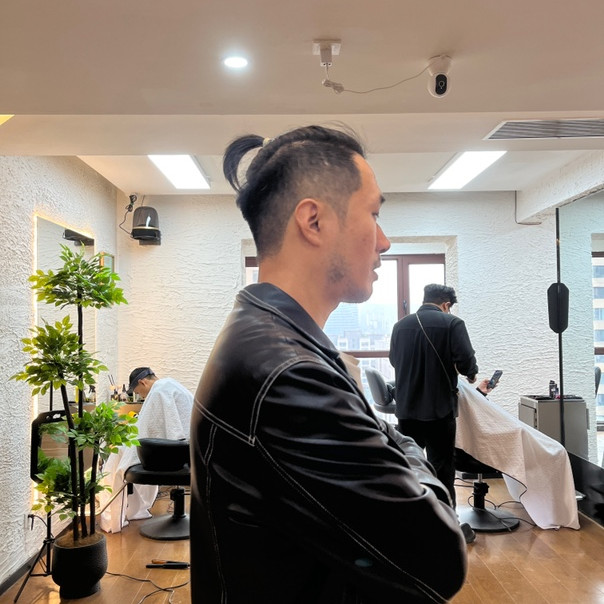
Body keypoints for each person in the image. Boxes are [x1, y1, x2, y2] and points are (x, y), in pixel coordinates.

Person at [190, 125, 467, 603]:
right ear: (313, 221)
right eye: (374, 215)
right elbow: (440, 558)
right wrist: (403, 448)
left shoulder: (266, 333)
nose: (384, 241)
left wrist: (380, 433)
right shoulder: (289, 376)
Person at [389, 283, 479, 508]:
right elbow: (466, 362)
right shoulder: (453, 323)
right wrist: (471, 374)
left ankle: (411, 514)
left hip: (406, 408)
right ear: (446, 305)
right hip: (439, 410)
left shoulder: (400, 326)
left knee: (410, 465)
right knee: (442, 468)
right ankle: (444, 515)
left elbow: (394, 360)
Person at [98, 367, 193, 533]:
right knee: (123, 451)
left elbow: (147, 430)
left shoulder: (159, 390)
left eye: (139, 393)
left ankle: (112, 514)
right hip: (188, 451)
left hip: (175, 454)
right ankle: (129, 509)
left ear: (142, 382)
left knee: (118, 455)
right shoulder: (171, 385)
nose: (141, 397)